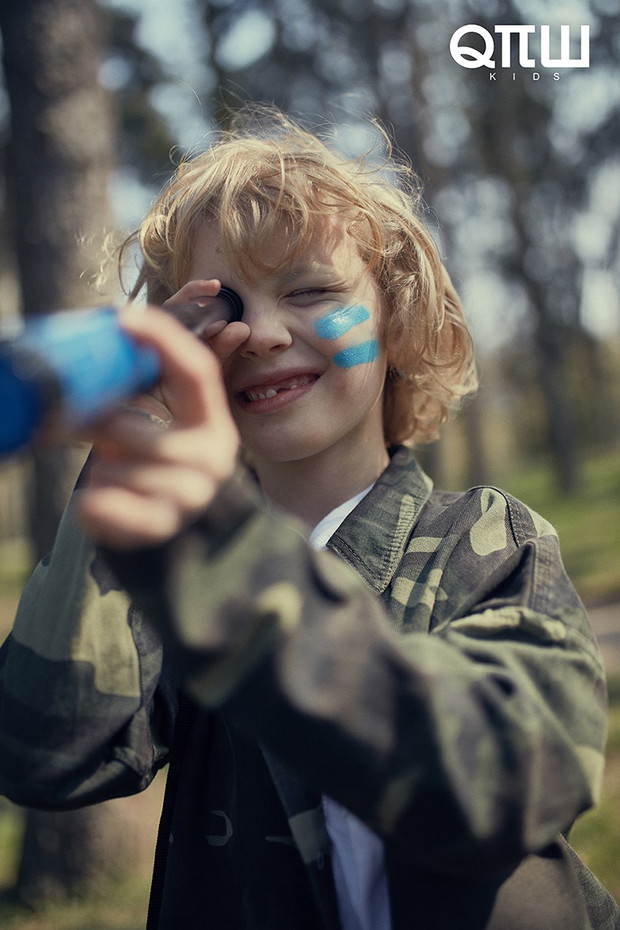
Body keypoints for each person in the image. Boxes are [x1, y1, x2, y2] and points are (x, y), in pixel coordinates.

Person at [0, 107, 617, 930]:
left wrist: (226, 571)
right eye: (221, 311)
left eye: (314, 290)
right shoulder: (175, 571)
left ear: (396, 317)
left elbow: (517, 775)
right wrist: (131, 443)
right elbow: (45, 755)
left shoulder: (487, 542)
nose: (258, 333)